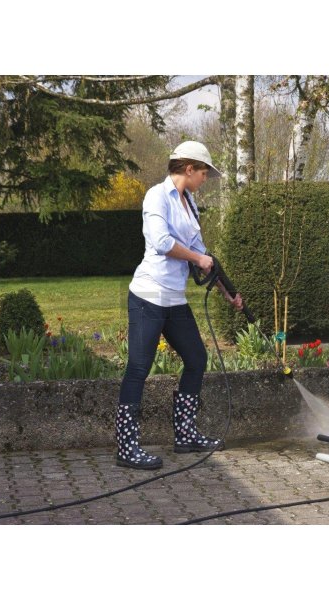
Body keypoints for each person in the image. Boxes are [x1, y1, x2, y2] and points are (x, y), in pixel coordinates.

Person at [115, 140, 243, 470]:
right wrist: (197, 259)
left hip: (174, 299)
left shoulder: (190, 203)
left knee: (196, 358)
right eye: (203, 173)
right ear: (189, 169)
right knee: (139, 367)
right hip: (148, 296)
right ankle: (126, 448)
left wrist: (225, 289)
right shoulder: (156, 196)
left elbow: (202, 253)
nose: (205, 179)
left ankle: (185, 436)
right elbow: (161, 242)